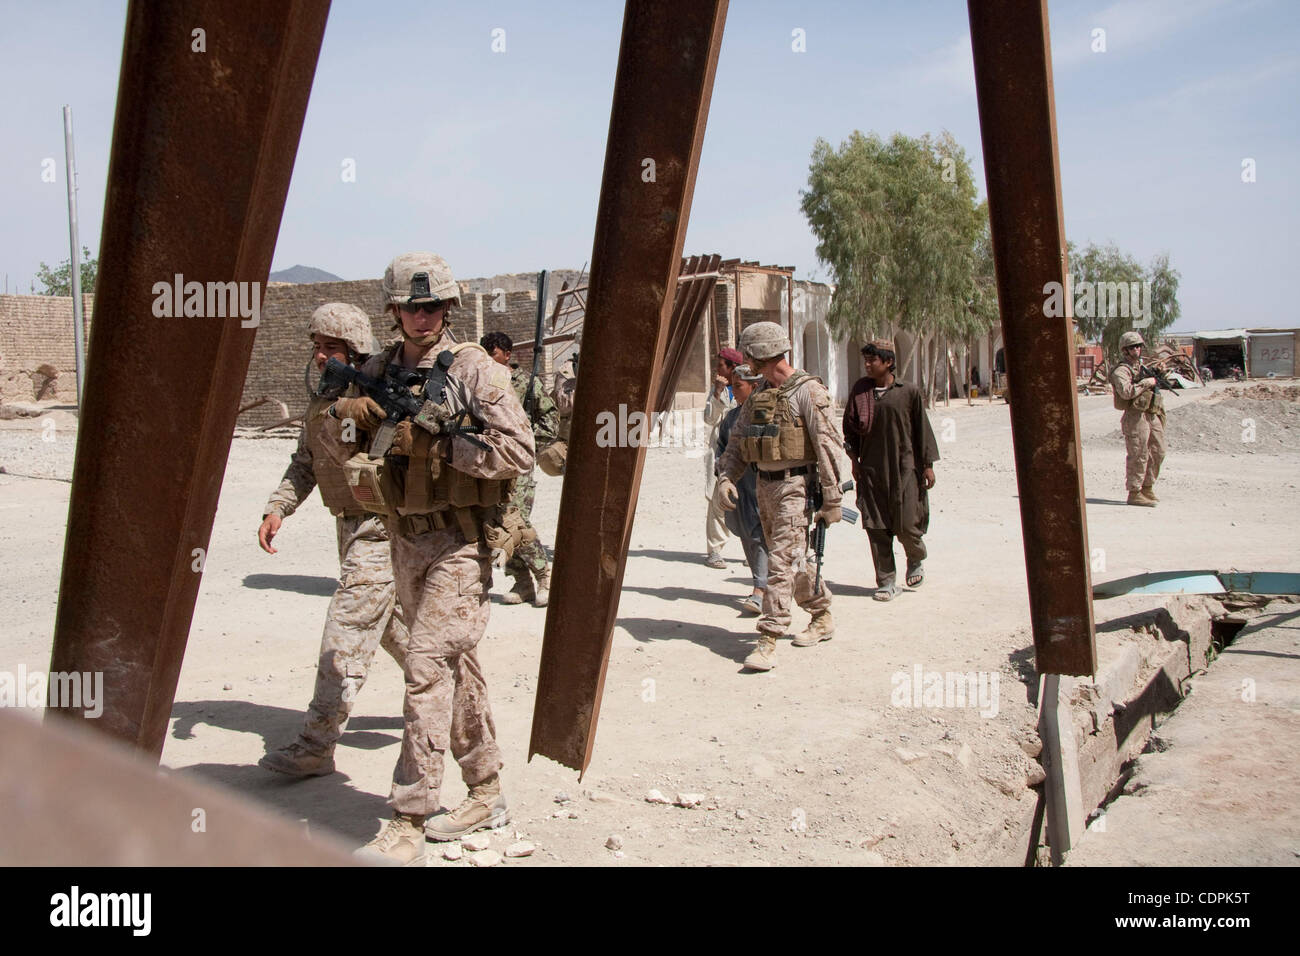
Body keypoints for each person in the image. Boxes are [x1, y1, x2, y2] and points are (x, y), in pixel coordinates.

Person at [320, 252, 535, 864]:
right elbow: (339, 444)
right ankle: (486, 788)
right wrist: (347, 418)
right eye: (411, 307)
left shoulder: (473, 370)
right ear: (393, 310)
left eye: (433, 306)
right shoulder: (376, 368)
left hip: (461, 543)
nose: (422, 317)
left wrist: (442, 446)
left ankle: (409, 816)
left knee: (424, 667)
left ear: (449, 308)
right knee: (451, 665)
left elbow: (518, 450)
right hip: (402, 537)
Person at [256, 303, 409, 777]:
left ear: (355, 350)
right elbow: (305, 460)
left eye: (333, 348)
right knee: (394, 630)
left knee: (343, 635)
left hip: (381, 529)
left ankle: (316, 744)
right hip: (348, 526)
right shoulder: (323, 399)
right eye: (317, 347)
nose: (321, 356)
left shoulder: (377, 394)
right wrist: (278, 506)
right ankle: (452, 696)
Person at [716, 322, 843, 672]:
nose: (745, 360)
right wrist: (727, 477)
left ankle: (768, 638)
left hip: (796, 487)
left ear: (761, 353)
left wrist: (832, 499)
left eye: (748, 353)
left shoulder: (808, 391)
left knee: (780, 564)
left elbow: (829, 447)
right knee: (790, 559)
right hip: (764, 488)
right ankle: (821, 614)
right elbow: (739, 443)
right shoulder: (759, 395)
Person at [843, 340, 939, 602]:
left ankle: (916, 558)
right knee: (876, 527)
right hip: (872, 471)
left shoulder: (908, 392)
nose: (867, 365)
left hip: (905, 469)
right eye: (866, 360)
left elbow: (922, 430)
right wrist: (854, 461)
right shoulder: (861, 392)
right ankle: (886, 581)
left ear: (887, 362)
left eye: (873, 360)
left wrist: (927, 466)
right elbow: (849, 431)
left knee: (908, 524)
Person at [480, 331, 559, 606]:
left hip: (518, 467)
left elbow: (550, 419)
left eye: (493, 354)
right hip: (491, 465)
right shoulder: (482, 382)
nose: (488, 359)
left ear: (507, 355)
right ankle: (522, 583)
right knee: (497, 524)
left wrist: (527, 446)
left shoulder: (525, 382)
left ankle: (545, 576)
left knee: (516, 521)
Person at [717, 364, 767, 614]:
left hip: (763, 486)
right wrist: (723, 476)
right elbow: (723, 447)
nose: (733, 391)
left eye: (738, 386)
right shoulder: (731, 417)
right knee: (747, 534)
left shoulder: (766, 413)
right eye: (732, 386)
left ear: (754, 386)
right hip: (739, 487)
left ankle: (760, 589)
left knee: (760, 536)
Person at [1109, 330, 1165, 507]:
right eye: (1133, 347)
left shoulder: (1140, 367)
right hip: (1135, 416)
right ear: (1125, 350)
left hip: (1150, 412)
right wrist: (1145, 383)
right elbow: (1125, 392)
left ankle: (1147, 487)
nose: (1137, 350)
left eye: (1139, 347)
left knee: (1158, 451)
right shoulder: (1121, 371)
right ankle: (1134, 492)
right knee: (1138, 453)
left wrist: (1156, 374)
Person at [704, 348, 743, 568]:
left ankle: (753, 548)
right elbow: (709, 419)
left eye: (720, 365)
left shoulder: (747, 388)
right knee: (717, 500)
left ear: (732, 368)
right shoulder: (717, 390)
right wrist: (717, 395)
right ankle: (715, 550)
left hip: (743, 452)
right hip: (721, 452)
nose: (717, 369)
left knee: (748, 499)